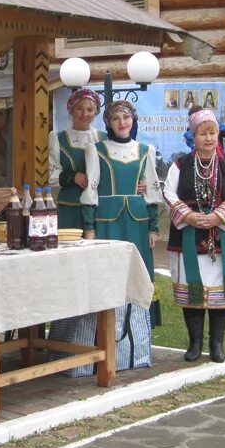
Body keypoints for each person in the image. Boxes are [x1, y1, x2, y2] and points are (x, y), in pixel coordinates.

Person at [75, 100, 163, 364]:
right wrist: (89, 227)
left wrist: (154, 226)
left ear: (133, 120)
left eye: (127, 117)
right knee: (107, 273)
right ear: (109, 123)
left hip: (137, 221)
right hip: (108, 220)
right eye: (116, 118)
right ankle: (103, 335)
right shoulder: (97, 149)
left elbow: (152, 191)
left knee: (139, 273)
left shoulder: (146, 150)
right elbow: (91, 188)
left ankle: (137, 338)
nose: (122, 122)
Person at [163, 108, 225, 362]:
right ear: (194, 136)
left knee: (221, 290)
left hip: (223, 236)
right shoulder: (180, 164)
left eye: (212, 132)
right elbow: (168, 193)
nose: (208, 138)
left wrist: (219, 216)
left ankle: (217, 344)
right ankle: (195, 343)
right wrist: (187, 215)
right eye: (203, 133)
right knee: (193, 292)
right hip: (188, 235)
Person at [48, 88, 105, 229]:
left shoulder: (104, 139)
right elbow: (51, 176)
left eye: (90, 110)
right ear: (71, 110)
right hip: (70, 207)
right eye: (80, 108)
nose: (85, 114)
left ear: (95, 113)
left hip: (99, 207)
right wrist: (73, 177)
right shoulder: (58, 139)